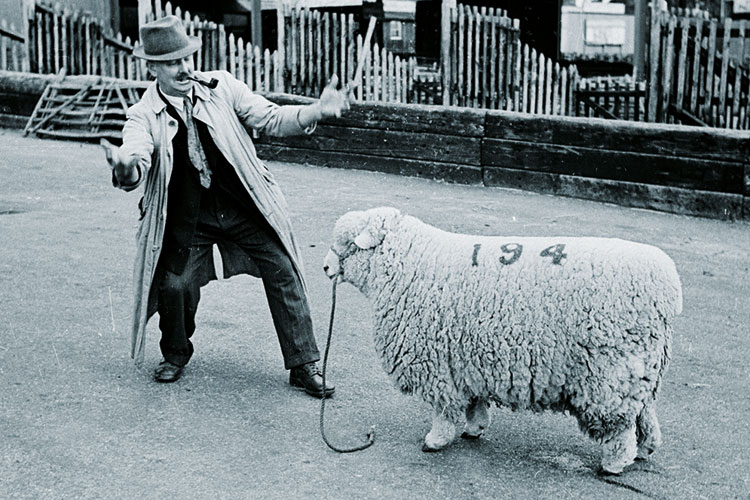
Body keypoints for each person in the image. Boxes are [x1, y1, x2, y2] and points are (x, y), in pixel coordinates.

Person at [103, 15, 350, 398]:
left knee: (283, 268)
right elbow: (137, 157)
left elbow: (270, 116)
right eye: (172, 62)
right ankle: (176, 353)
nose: (184, 68)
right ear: (152, 67)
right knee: (175, 283)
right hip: (189, 216)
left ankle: (304, 364)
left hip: (241, 206)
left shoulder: (222, 86)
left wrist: (315, 111)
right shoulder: (142, 115)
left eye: (187, 58)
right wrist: (125, 169)